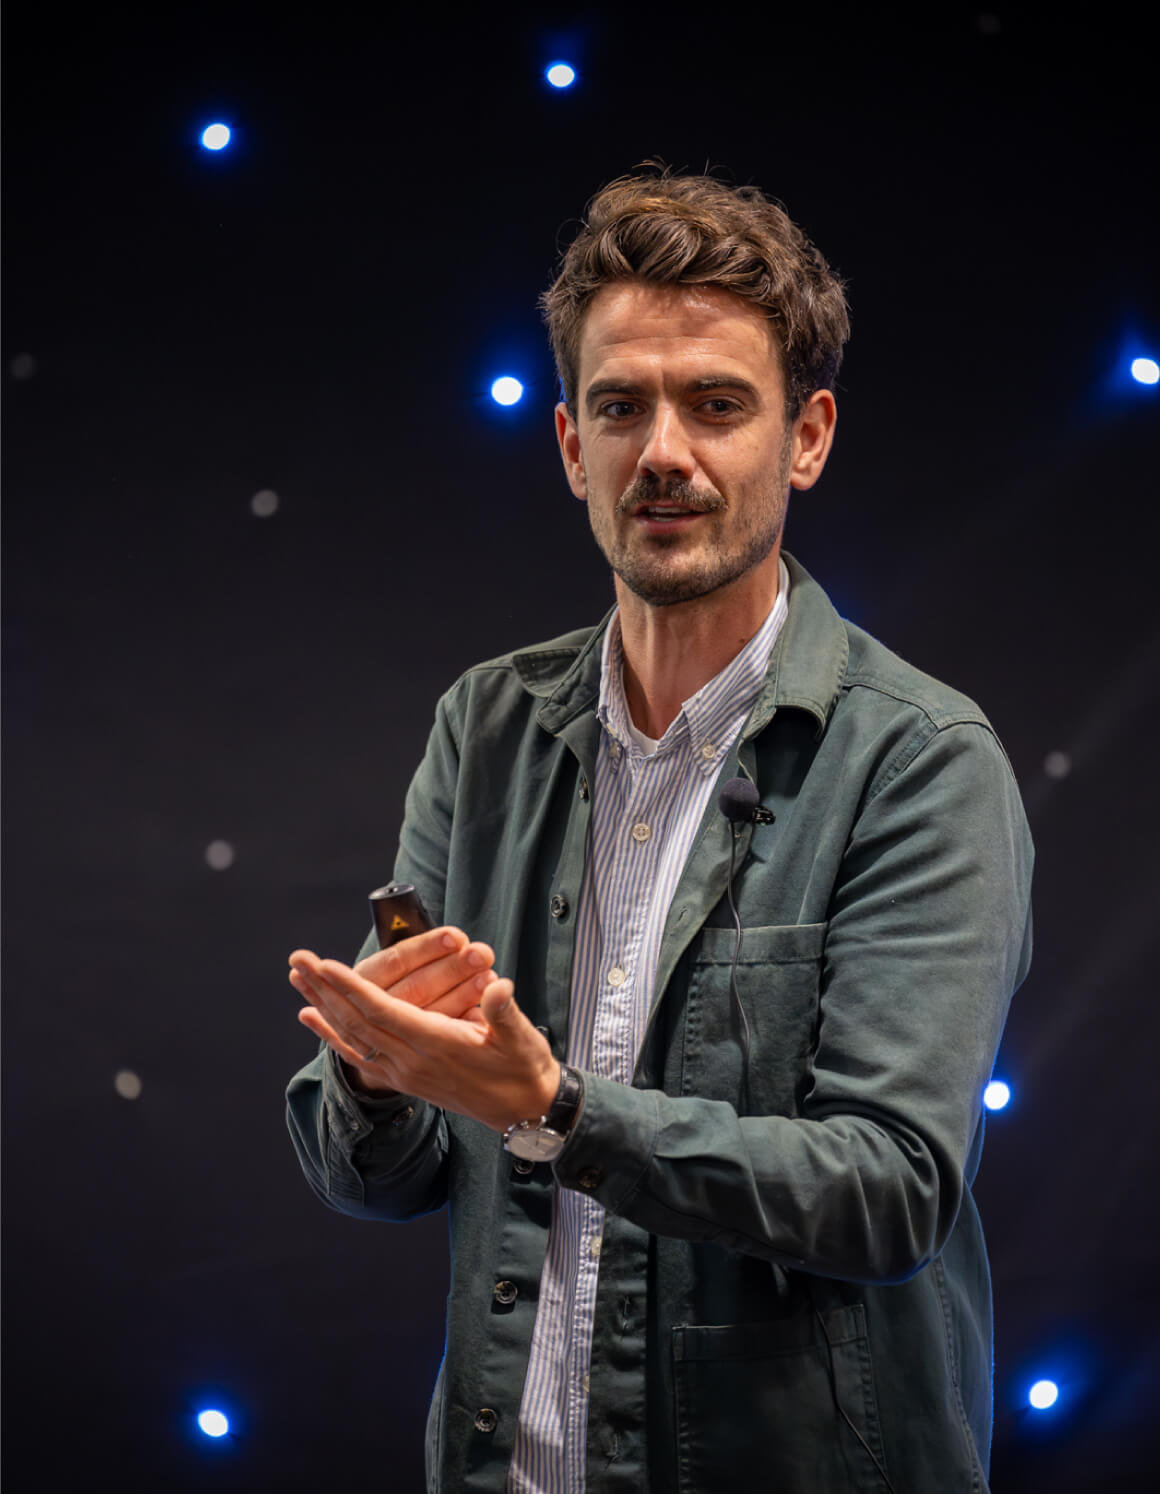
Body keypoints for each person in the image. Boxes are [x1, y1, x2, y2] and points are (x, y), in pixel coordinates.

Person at [286, 168, 1034, 1494]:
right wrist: (378, 1069)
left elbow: (886, 1192)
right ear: (572, 445)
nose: (664, 451)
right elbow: (379, 1181)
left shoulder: (921, 759)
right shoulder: (486, 724)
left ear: (803, 439)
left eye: (716, 404)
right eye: (621, 406)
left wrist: (550, 1108)